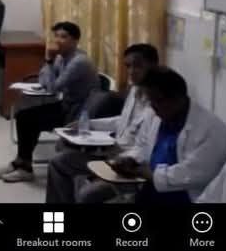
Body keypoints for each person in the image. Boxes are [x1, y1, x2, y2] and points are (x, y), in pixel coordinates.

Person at [45, 43, 159, 203]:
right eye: (128, 66)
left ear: (154, 66)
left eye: (138, 66)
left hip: (130, 165)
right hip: (112, 154)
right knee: (59, 162)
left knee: (87, 194)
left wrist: (121, 159)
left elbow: (148, 148)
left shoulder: (159, 102)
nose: (131, 71)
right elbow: (122, 121)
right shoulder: (134, 90)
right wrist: (90, 124)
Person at [0, 21, 98, 182]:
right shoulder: (61, 58)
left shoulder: (79, 61)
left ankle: (24, 167)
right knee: (24, 115)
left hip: (78, 115)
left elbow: (53, 88)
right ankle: (21, 162)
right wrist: (50, 64)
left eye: (64, 37)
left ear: (75, 41)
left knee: (30, 119)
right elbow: (44, 81)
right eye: (56, 36)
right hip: (66, 105)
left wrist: (48, 60)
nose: (58, 40)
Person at [111, 67, 226, 204]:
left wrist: (149, 174)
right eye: (150, 101)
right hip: (148, 192)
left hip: (187, 198)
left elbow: (197, 173)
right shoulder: (155, 114)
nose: (153, 107)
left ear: (178, 98)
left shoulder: (212, 129)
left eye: (158, 100)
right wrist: (130, 159)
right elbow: (142, 146)